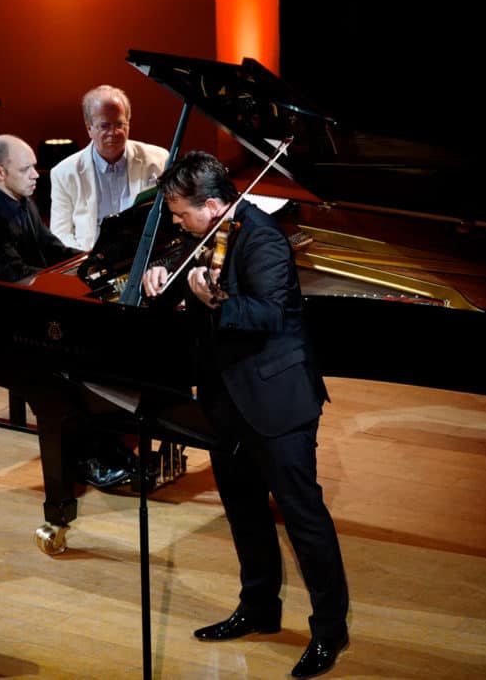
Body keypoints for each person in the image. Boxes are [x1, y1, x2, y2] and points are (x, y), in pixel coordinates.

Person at [142, 151, 350, 679]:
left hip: (277, 400)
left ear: (213, 205)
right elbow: (174, 260)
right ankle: (259, 608)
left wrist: (215, 302)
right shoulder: (202, 232)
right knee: (242, 507)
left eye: (181, 212)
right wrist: (160, 274)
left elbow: (269, 314)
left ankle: (330, 630)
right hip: (225, 399)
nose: (175, 221)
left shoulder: (263, 240)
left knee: (303, 518)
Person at [0, 133, 133, 489]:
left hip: (16, 311)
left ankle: (110, 444)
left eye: (35, 165)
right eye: (26, 168)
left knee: (86, 358)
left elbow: (50, 249)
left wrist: (93, 264)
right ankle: (86, 460)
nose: (36, 174)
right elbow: (16, 277)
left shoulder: (21, 202)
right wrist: (68, 287)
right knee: (58, 375)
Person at [49, 84, 170, 251]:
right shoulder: (63, 173)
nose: (113, 133)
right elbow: (60, 234)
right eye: (105, 126)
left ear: (129, 123)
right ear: (89, 128)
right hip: (90, 262)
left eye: (120, 124)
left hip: (145, 255)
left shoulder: (159, 159)